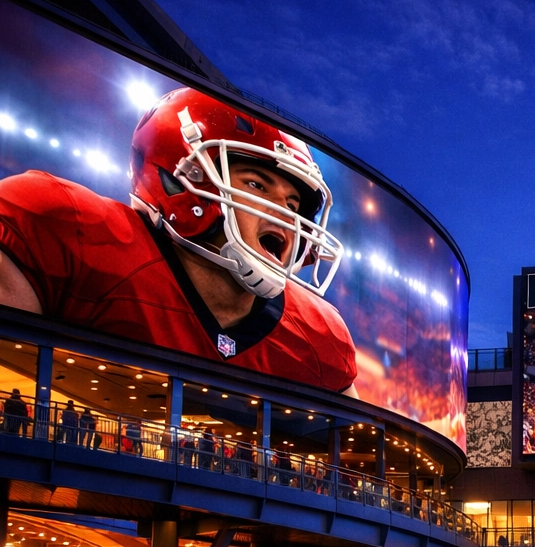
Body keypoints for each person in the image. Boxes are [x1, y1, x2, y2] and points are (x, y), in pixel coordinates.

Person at [0, 88, 358, 391]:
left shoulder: (319, 335)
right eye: (256, 185)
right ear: (181, 178)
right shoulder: (67, 227)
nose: (286, 215)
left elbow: (354, 459)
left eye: (293, 203)